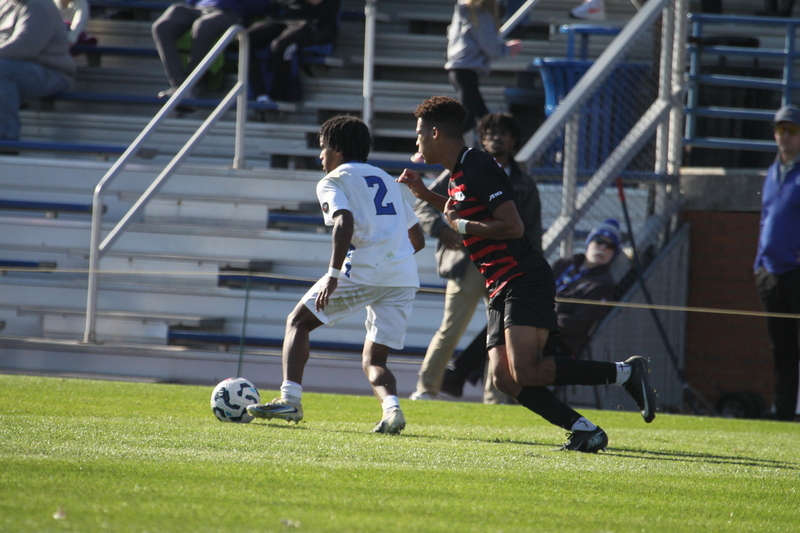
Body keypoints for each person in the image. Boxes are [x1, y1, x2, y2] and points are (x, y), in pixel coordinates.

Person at [398, 96, 655, 453]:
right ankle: (584, 428)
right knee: (504, 377)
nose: (417, 142)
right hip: (499, 282)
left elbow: (513, 226)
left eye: (420, 134)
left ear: (436, 133)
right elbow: (459, 211)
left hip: (522, 277)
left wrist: (465, 225)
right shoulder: (458, 173)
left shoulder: (478, 165)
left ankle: (625, 373)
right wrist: (425, 194)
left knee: (528, 370)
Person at [247, 115, 426, 434]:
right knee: (375, 359)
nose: (320, 157)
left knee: (298, 321)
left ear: (337, 151)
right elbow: (418, 239)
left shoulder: (333, 180)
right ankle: (392, 409)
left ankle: (290, 399)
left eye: (323, 148)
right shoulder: (386, 179)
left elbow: (343, 221)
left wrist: (332, 274)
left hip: (365, 268)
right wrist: (390, 262)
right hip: (402, 277)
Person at [409, 112, 541, 404]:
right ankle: (426, 388)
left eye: (504, 133)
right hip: (468, 263)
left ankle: (495, 399)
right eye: (490, 132)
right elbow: (425, 203)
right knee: (451, 328)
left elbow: (530, 231)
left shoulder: (524, 183)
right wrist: (444, 231)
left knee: (500, 336)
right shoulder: (465, 167)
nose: (497, 138)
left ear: (514, 140)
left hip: (506, 267)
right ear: (481, 138)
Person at [441, 219, 620, 397]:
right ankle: (461, 377)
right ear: (589, 242)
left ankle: (462, 377)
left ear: (614, 253)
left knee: (508, 328)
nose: (602, 248)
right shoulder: (565, 263)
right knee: (502, 320)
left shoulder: (604, 284)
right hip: (536, 323)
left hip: (558, 340)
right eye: (599, 241)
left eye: (609, 246)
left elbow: (576, 325)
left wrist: (541, 314)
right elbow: (534, 288)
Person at [754, 104, 800, 422]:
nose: (785, 136)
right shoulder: (772, 172)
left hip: (796, 271)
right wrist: (758, 262)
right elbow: (766, 219)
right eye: (781, 130)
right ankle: (783, 411)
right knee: (780, 348)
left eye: (792, 130)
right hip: (768, 272)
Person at [151, 0, 268, 99]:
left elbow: (261, 7)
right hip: (199, 9)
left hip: (227, 13)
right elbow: (190, 2)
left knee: (203, 25)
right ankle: (180, 85)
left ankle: (192, 86)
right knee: (163, 24)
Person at [0, 0, 76, 145]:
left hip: (51, 71)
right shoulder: (5, 4)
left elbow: (24, 46)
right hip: (13, 66)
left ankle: (6, 140)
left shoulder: (38, 5)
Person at [445, 0, 521, 139]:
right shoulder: (480, 14)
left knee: (485, 119)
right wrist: (508, 49)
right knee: (466, 121)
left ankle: (490, 156)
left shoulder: (463, 11)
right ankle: (433, 146)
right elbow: (490, 47)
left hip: (460, 70)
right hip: (466, 70)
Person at [247, 0, 340, 104]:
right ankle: (260, 95)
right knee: (245, 40)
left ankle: (279, 97)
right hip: (284, 17)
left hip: (313, 21)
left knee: (281, 46)